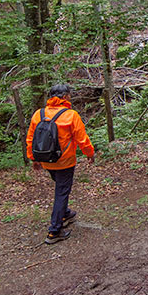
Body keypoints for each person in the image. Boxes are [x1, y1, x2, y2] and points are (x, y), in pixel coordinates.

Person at [26, 84, 95, 244]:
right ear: (65, 97)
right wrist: (90, 154)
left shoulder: (39, 114)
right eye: (69, 95)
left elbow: (31, 139)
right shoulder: (70, 115)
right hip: (65, 161)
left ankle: (64, 213)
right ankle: (54, 231)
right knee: (62, 192)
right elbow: (82, 139)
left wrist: (34, 158)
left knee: (61, 188)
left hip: (46, 160)